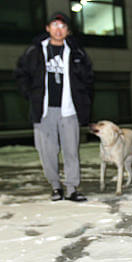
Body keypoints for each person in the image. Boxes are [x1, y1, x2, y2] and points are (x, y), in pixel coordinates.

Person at [14, 12, 93, 202]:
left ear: (68, 31)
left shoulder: (77, 53)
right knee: (47, 151)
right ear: (48, 28)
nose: (58, 29)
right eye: (54, 25)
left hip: (69, 110)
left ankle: (72, 188)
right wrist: (31, 95)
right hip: (44, 110)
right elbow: (20, 74)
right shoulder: (34, 51)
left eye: (63, 26)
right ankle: (56, 187)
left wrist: (83, 101)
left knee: (71, 151)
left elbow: (88, 79)